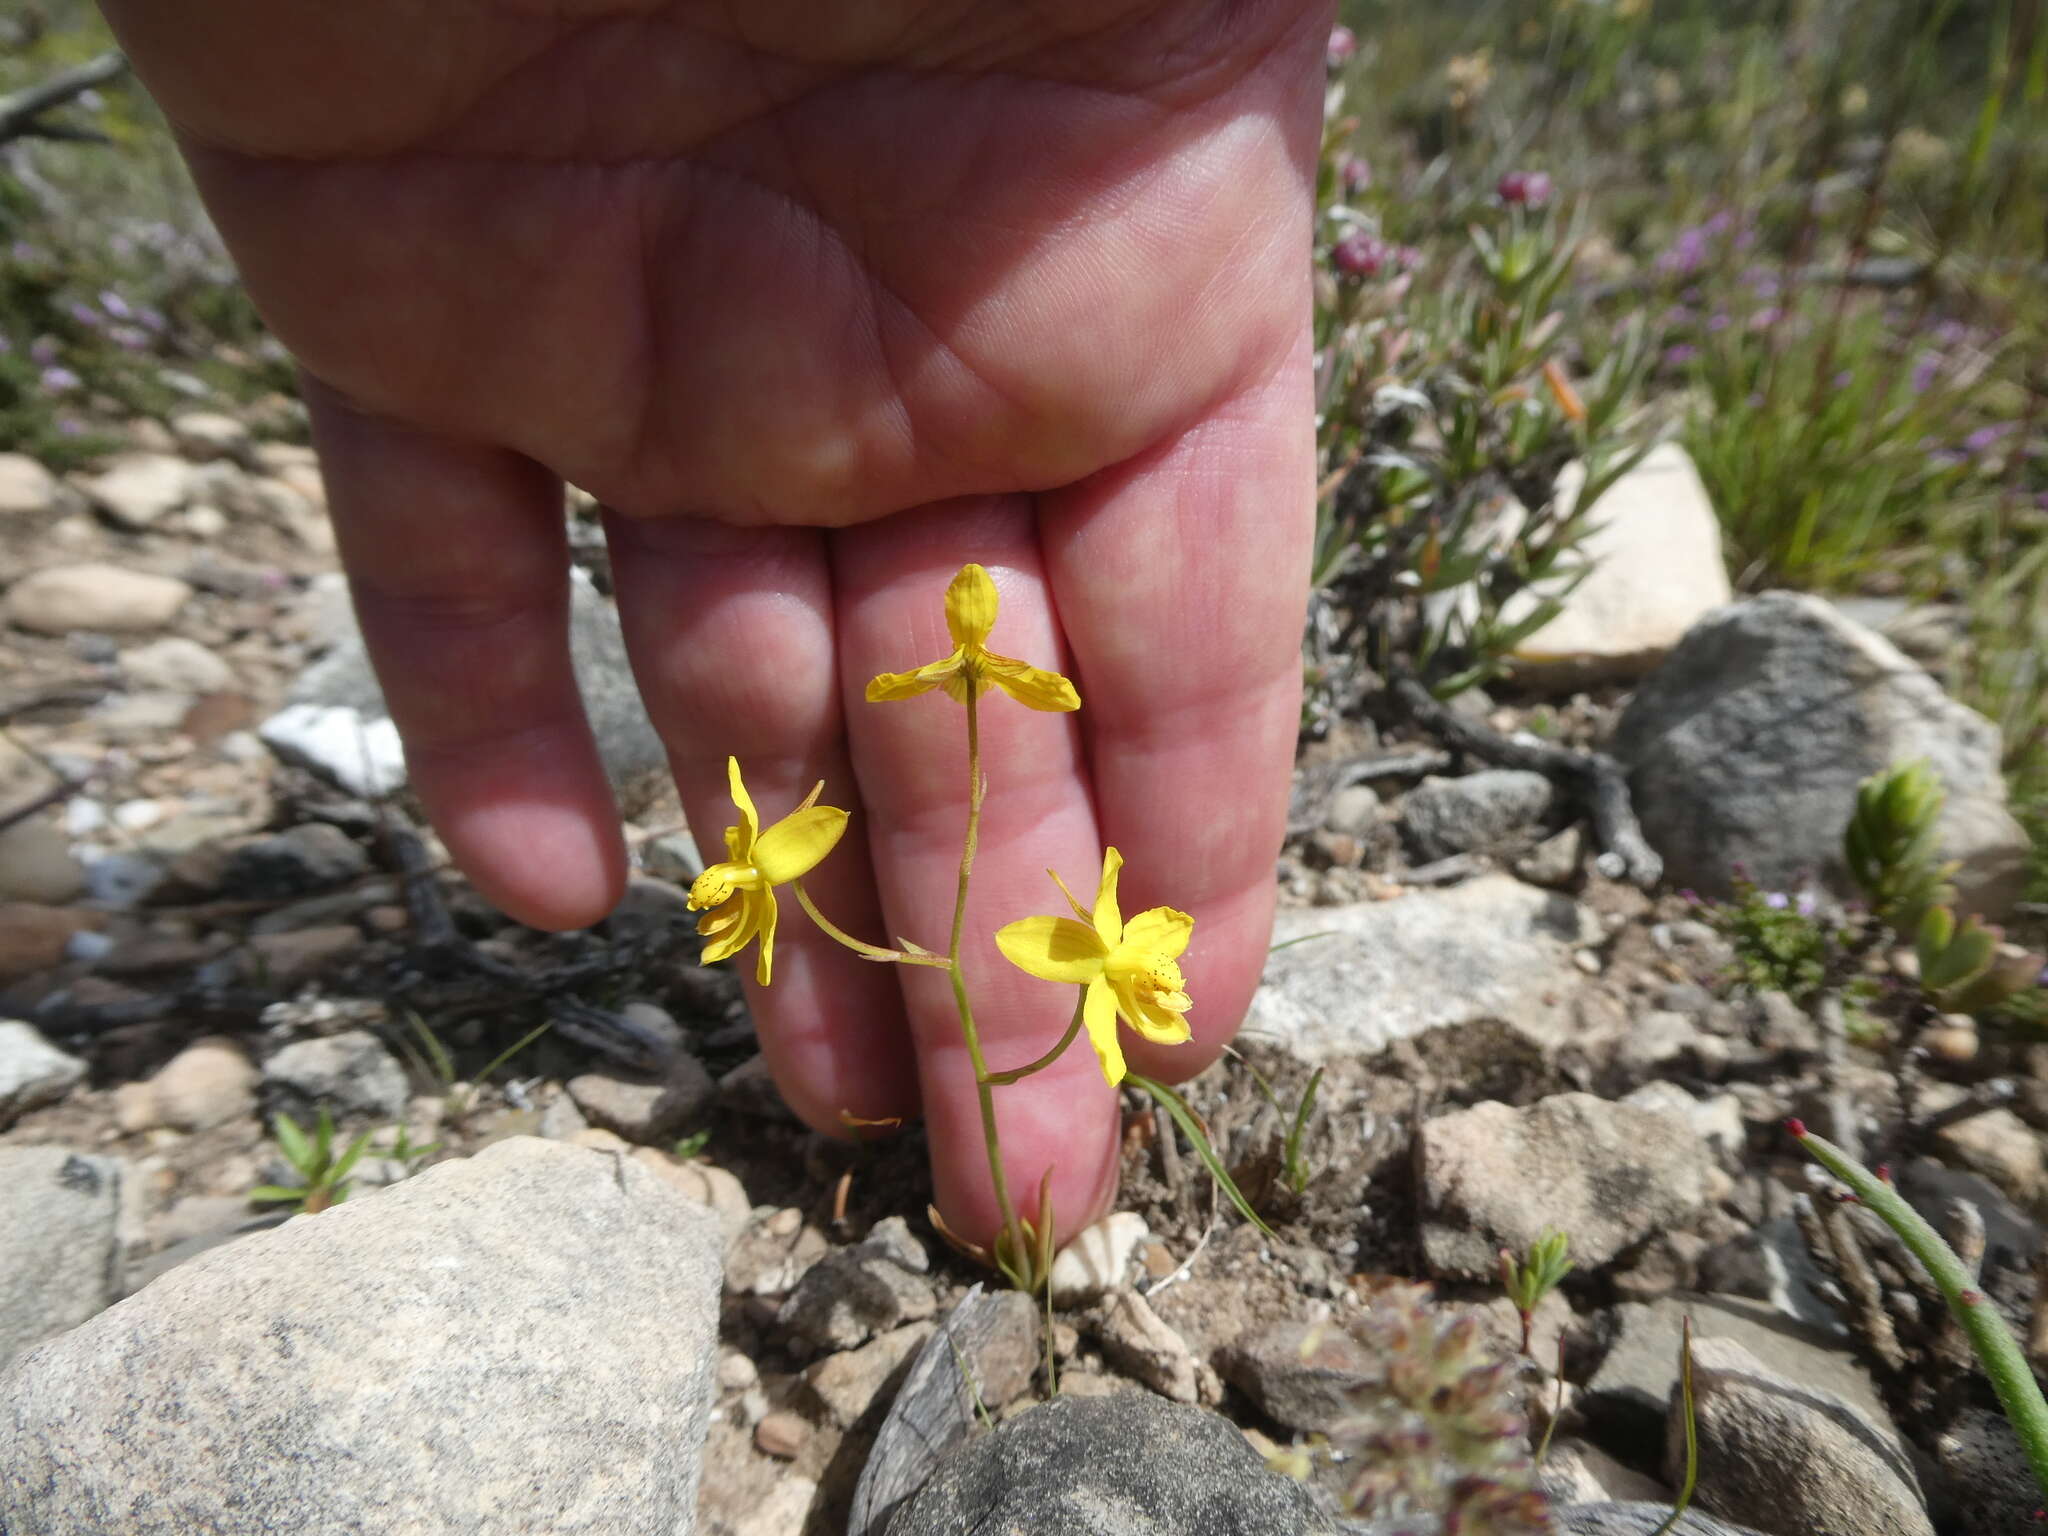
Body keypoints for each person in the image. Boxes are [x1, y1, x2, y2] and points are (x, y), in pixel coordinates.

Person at [101, 0, 1329, 1247]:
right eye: (964, 623)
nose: (965, 620)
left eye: (970, 621)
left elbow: (1032, 774)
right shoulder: (962, 706)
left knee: (965, 901)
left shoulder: (1028, 805)